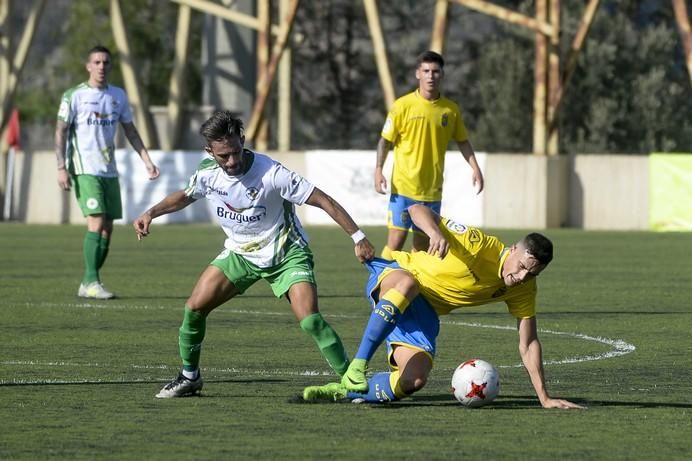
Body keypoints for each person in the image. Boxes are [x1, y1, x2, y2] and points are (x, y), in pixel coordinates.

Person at [134, 111, 375, 398]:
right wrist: (151, 212)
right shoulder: (207, 173)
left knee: (310, 319)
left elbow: (323, 199)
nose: (232, 161)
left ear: (243, 141)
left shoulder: (273, 173)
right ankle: (189, 377)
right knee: (194, 308)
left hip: (287, 254)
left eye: (236, 152)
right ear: (209, 151)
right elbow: (186, 195)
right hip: (240, 254)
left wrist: (358, 237)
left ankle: (352, 382)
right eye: (224, 156)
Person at [303, 204, 584, 409]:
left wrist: (544, 398)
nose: (522, 277)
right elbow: (416, 209)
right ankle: (357, 365)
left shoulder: (524, 289)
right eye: (522, 267)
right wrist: (434, 232)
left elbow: (529, 343)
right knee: (408, 284)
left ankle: (347, 391)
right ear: (512, 250)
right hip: (397, 274)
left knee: (413, 380)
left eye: (532, 274)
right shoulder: (478, 245)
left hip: (422, 312)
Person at [55, 45, 160, 299]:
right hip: (84, 168)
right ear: (88, 66)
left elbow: (130, 130)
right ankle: (92, 281)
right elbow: (60, 131)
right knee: (97, 221)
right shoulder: (74, 96)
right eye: (97, 62)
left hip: (109, 171)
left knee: (108, 229)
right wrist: (61, 167)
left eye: (106, 63)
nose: (102, 66)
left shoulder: (118, 96)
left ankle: (87, 282)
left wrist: (146, 160)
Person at [375, 50, 484, 260]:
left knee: (423, 248)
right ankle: (379, 283)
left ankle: (415, 289)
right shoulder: (402, 106)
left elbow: (462, 141)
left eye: (435, 71)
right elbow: (385, 141)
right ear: (418, 74)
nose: (430, 76)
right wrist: (378, 170)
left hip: (431, 191)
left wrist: (475, 168)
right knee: (395, 244)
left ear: (442, 74)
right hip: (404, 188)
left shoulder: (450, 110)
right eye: (426, 71)